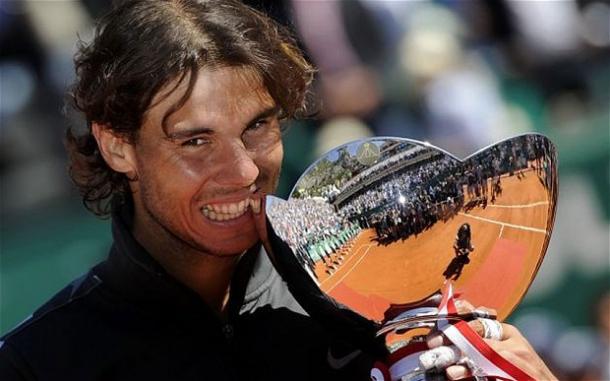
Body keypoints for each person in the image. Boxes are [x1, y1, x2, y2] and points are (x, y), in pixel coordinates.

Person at [0, 1, 556, 380]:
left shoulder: (382, 290)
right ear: (118, 146)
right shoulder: (38, 363)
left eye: (258, 127)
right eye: (196, 141)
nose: (243, 171)